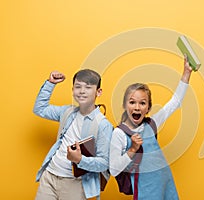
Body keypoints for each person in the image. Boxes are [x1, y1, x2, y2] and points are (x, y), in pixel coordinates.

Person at [109, 56, 194, 200]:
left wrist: (186, 73)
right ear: (125, 105)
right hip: (145, 190)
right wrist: (133, 149)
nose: (137, 107)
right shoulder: (119, 133)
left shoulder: (151, 124)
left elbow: (175, 102)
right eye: (132, 102)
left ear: (148, 108)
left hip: (165, 183)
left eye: (142, 103)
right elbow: (114, 169)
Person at [33, 69, 113, 200]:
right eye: (78, 87)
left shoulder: (103, 125)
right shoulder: (67, 112)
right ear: (72, 90)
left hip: (75, 183)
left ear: (98, 92)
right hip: (50, 176)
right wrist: (50, 83)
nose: (82, 91)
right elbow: (40, 109)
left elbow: (104, 163)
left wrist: (80, 160)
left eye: (88, 87)